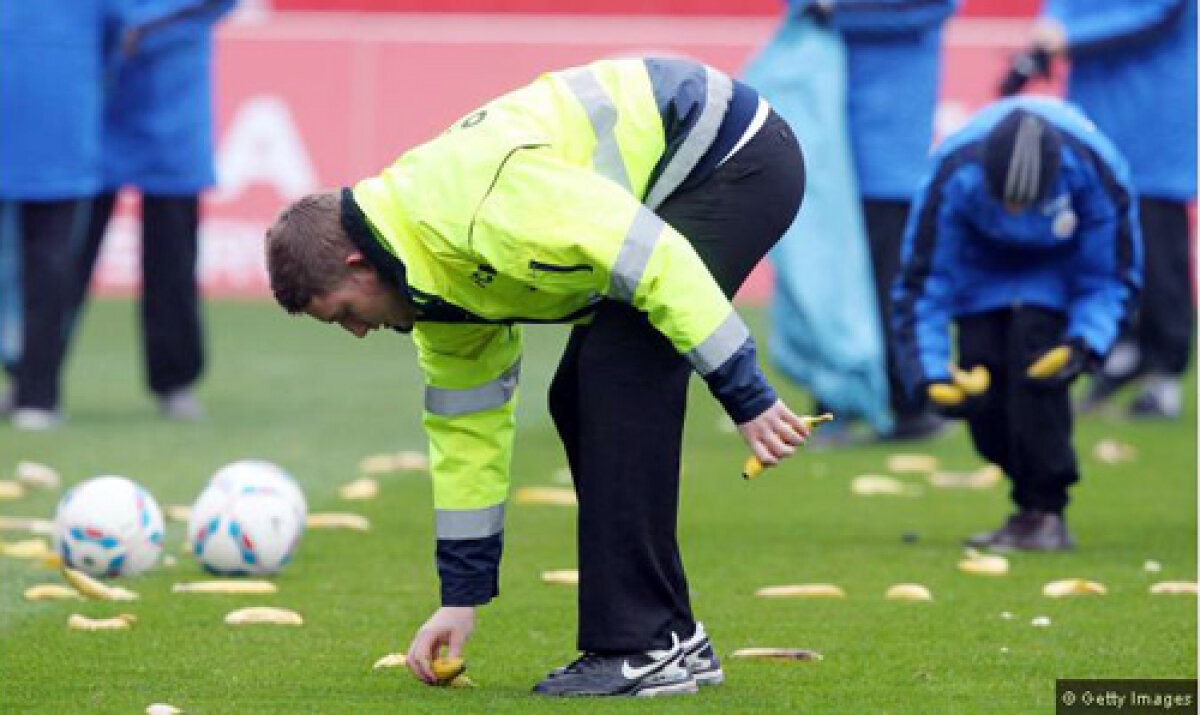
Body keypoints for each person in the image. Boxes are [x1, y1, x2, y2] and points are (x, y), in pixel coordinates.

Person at [265, 57, 809, 697]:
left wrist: (745, 393)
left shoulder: (479, 208)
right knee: (577, 394)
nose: (358, 331)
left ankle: (643, 646)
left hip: (734, 155)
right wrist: (460, 597)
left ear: (359, 264)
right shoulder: (430, 282)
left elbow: (655, 260)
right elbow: (468, 436)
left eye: (344, 315)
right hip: (681, 176)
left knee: (615, 370)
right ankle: (671, 637)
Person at [892, 97, 1141, 550]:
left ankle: (1046, 511)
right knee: (983, 395)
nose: (1012, 212)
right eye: (1003, 200)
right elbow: (923, 282)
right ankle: (1026, 502)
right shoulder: (954, 173)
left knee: (1034, 368)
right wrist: (928, 374)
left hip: (1055, 272)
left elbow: (1111, 275)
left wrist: (1086, 343)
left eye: (1024, 202)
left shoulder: (1095, 170)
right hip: (980, 273)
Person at [1000, 0, 1196, 419]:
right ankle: (1117, 350)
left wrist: (1068, 37)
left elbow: (1158, 15)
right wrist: (1050, 27)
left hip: (1153, 111)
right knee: (1098, 236)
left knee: (1157, 242)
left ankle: (1163, 373)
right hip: (1098, 108)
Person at [67, 0, 237, 421]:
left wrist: (142, 24)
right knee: (63, 256)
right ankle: (33, 378)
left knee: (172, 259)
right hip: (99, 93)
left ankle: (175, 381)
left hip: (172, 96)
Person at [0, 0, 123, 430]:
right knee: (51, 270)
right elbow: (116, 42)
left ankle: (32, 390)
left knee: (47, 272)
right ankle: (37, 397)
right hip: (63, 132)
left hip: (57, 135)